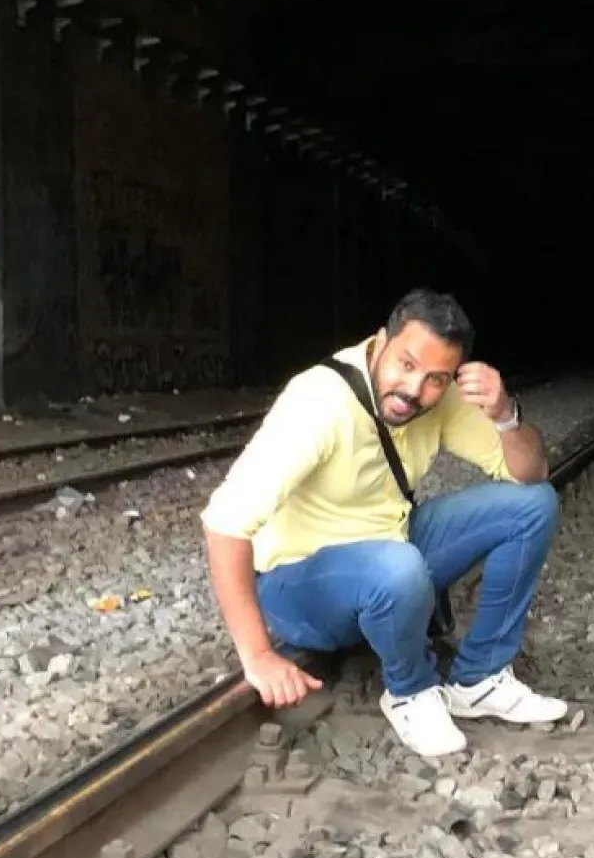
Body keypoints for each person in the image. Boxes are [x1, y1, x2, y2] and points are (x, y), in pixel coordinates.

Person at [200, 289, 566, 757]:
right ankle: (411, 690)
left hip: (390, 546)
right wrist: (257, 654)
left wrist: (504, 415)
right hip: (302, 583)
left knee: (533, 504)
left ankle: (480, 678)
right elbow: (224, 521)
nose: (414, 389)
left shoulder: (438, 398)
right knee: (398, 567)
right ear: (380, 341)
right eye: (406, 364)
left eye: (435, 378)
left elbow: (531, 472)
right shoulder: (319, 402)